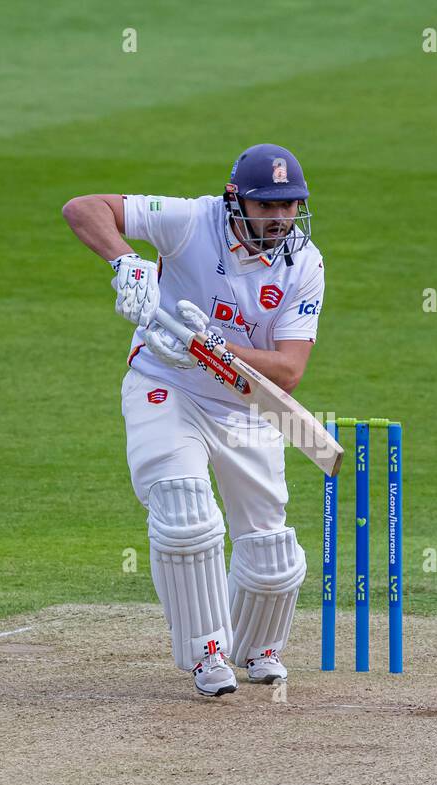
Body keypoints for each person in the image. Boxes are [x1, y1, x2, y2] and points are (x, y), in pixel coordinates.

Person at [62, 144, 325, 697]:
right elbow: (83, 208)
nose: (280, 218)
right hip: (167, 382)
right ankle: (207, 652)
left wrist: (216, 348)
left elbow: (290, 370)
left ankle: (257, 647)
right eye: (267, 206)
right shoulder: (190, 219)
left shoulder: (306, 264)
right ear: (236, 202)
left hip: (244, 401)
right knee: (185, 511)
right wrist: (126, 262)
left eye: (290, 206)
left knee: (272, 549)